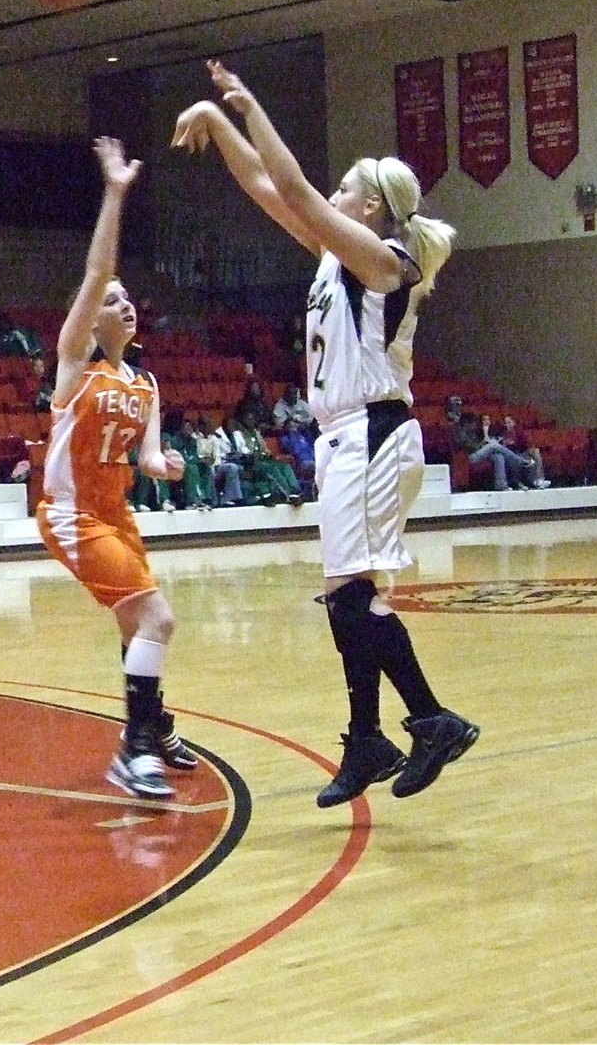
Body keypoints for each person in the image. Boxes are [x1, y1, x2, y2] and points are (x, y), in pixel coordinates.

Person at [173, 59, 479, 805]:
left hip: (373, 434)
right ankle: (371, 737)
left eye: (346, 190)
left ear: (372, 207)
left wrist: (248, 106)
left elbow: (300, 192)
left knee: (349, 602)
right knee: (354, 603)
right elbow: (267, 188)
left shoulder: (385, 263)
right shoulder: (335, 258)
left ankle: (431, 719)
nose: (330, 198)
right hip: (346, 438)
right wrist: (218, 123)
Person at [35, 136, 197, 801]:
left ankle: (152, 725)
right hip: (72, 515)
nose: (121, 303)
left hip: (118, 514)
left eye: (130, 300)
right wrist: (115, 191)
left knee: (137, 628)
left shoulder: (145, 383)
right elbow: (98, 272)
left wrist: (164, 465)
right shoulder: (76, 364)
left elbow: (148, 456)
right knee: (158, 620)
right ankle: (132, 752)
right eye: (112, 299)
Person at [452, 410, 534, 491]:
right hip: (469, 457)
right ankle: (521, 461)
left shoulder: (474, 432)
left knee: (498, 456)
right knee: (494, 445)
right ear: (467, 423)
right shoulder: (461, 432)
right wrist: (484, 444)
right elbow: (470, 447)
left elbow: (480, 443)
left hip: (479, 453)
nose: (475, 425)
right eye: (473, 423)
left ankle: (501, 484)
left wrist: (485, 440)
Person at [195, 415, 244, 507]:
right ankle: (211, 501)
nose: (213, 427)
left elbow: (216, 457)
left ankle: (230, 498)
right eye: (210, 425)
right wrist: (204, 460)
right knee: (208, 470)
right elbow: (197, 456)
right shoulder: (195, 438)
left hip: (215, 466)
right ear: (202, 427)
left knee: (231, 467)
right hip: (201, 467)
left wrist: (211, 462)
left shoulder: (214, 438)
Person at [499, 414, 551, 487]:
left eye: (509, 422)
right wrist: (509, 443)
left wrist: (516, 443)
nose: (507, 425)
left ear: (514, 423)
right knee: (523, 458)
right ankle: (531, 481)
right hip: (513, 454)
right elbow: (504, 446)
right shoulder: (504, 433)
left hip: (522, 451)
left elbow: (524, 443)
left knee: (536, 452)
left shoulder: (519, 431)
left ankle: (540, 479)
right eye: (506, 423)